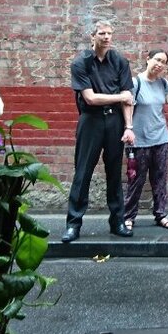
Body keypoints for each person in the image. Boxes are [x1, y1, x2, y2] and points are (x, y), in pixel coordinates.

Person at [62, 20, 135, 242]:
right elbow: (90, 98)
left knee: (115, 173)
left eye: (109, 33)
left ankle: (117, 222)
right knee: (83, 172)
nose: (106, 37)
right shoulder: (81, 63)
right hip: (90, 121)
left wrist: (129, 127)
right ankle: (73, 225)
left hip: (115, 122)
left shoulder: (120, 61)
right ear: (92, 37)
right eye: (101, 33)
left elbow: (128, 98)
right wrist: (120, 96)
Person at [123, 49, 168, 230]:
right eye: (157, 59)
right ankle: (129, 216)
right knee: (136, 180)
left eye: (163, 62)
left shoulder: (163, 83)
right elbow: (127, 106)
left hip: (161, 139)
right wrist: (128, 129)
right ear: (147, 59)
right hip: (138, 141)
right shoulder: (135, 82)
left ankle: (161, 214)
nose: (160, 64)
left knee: (160, 179)